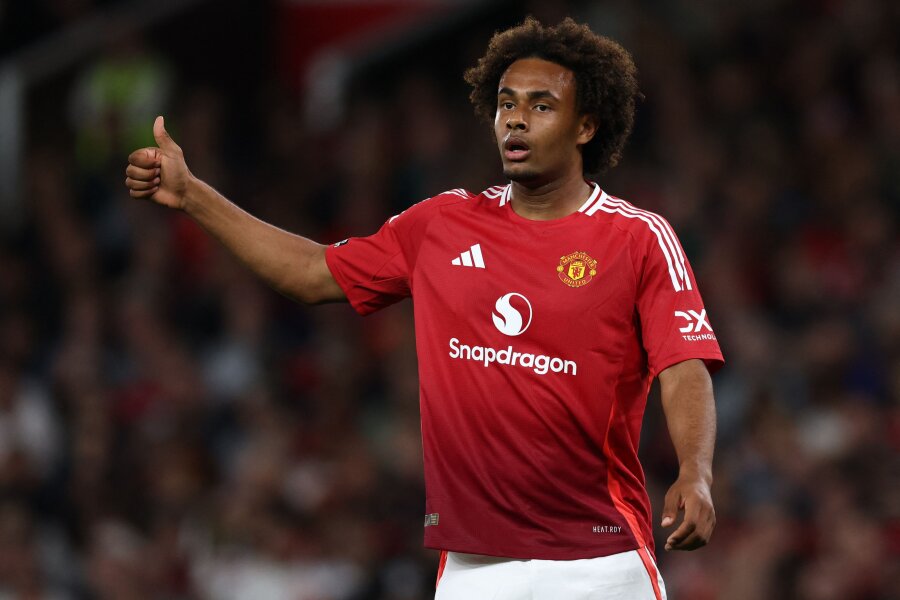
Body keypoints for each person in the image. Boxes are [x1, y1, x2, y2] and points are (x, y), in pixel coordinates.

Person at [125, 17, 722, 600]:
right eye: (506, 103)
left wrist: (695, 473)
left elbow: (683, 366)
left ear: (586, 125)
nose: (516, 118)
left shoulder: (637, 238)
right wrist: (193, 196)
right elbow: (310, 274)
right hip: (472, 572)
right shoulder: (442, 224)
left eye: (541, 106)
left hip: (598, 567)